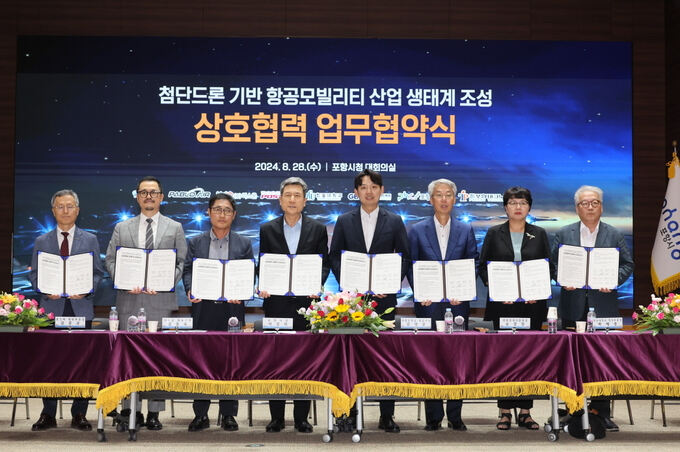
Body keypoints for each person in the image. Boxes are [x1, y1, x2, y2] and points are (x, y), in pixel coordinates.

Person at [330, 169, 410, 433]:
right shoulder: (344, 220)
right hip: (352, 301)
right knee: (349, 357)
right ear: (356, 192)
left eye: (374, 187)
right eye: (363, 187)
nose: (369, 191)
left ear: (382, 190)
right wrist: (350, 285)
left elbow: (404, 257)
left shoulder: (394, 220)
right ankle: (347, 413)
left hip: (383, 300)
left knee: (386, 357)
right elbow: (335, 256)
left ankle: (387, 415)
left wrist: (389, 284)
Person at [105, 176, 187, 431]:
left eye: (153, 192)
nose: (149, 196)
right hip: (129, 300)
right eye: (144, 192)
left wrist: (164, 282)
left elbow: (181, 262)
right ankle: (129, 410)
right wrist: (123, 280)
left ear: (161, 197)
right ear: (137, 196)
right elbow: (110, 260)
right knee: (128, 358)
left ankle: (154, 413)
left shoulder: (175, 227)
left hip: (160, 300)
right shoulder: (122, 227)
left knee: (157, 358)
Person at [551, 185, 634, 432]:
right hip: (572, 303)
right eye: (585, 203)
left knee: (602, 359)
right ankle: (572, 410)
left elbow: (627, 264)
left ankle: (600, 411)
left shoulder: (614, 234)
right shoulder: (564, 233)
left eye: (595, 202)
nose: (590, 207)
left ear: (602, 207)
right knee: (570, 359)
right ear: (577, 208)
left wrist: (613, 280)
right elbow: (553, 265)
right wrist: (562, 279)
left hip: (603, 304)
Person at [28, 189, 104, 432]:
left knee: (81, 362)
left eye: (70, 206)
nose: (65, 210)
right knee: (49, 361)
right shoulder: (42, 241)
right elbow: (34, 274)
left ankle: (79, 413)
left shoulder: (90, 239)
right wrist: (43, 288)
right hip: (50, 309)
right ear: (53, 211)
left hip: (80, 307)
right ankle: (48, 413)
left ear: (77, 210)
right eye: (60, 206)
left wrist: (87, 289)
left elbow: (97, 273)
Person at [258, 177, 330, 433]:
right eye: (287, 195)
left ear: (304, 201)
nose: (292, 199)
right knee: (274, 361)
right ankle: (276, 417)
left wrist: (316, 284)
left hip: (305, 305)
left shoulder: (317, 229)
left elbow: (324, 264)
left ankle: (301, 417)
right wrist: (263, 283)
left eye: (297, 195)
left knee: (304, 361)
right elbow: (264, 263)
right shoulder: (267, 229)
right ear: (280, 200)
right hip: (276, 304)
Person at [479, 186, 553, 431]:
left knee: (529, 357)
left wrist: (537, 291)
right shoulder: (494, 233)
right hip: (503, 306)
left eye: (522, 203)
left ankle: (525, 411)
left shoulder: (539, 233)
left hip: (532, 307)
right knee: (504, 357)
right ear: (505, 207)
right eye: (512, 203)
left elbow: (548, 267)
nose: (518, 207)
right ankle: (504, 411)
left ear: (529, 207)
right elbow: (483, 267)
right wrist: (499, 290)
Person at [407, 178, 478, 432]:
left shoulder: (465, 229)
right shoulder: (417, 229)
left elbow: (472, 262)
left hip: (457, 304)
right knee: (431, 358)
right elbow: (411, 265)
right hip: (429, 303)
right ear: (431, 199)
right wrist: (420, 292)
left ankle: (455, 416)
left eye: (449, 194)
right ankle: (433, 417)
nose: (444, 199)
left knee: (457, 359)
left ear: (454, 199)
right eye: (439, 194)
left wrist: (464, 291)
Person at [182, 193, 254, 432]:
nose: (222, 214)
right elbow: (188, 270)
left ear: (234, 215)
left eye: (227, 210)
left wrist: (243, 292)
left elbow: (249, 272)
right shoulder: (196, 242)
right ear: (209, 212)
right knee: (200, 360)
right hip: (203, 308)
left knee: (231, 361)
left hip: (232, 308)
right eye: (217, 209)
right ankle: (200, 414)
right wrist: (190, 288)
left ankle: (229, 414)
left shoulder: (243, 243)